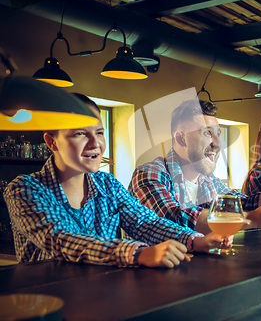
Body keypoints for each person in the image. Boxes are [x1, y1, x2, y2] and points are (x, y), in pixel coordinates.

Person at [4, 93, 224, 268]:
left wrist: (194, 240)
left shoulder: (107, 184)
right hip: (50, 306)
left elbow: (145, 223)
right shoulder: (24, 189)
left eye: (99, 132)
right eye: (80, 133)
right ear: (52, 142)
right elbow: (61, 239)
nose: (95, 143)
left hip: (105, 299)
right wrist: (137, 253)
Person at [128, 98, 261, 234]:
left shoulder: (208, 181)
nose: (217, 144)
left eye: (218, 134)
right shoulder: (149, 174)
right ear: (181, 138)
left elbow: (248, 205)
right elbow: (173, 219)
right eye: (207, 133)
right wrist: (251, 219)